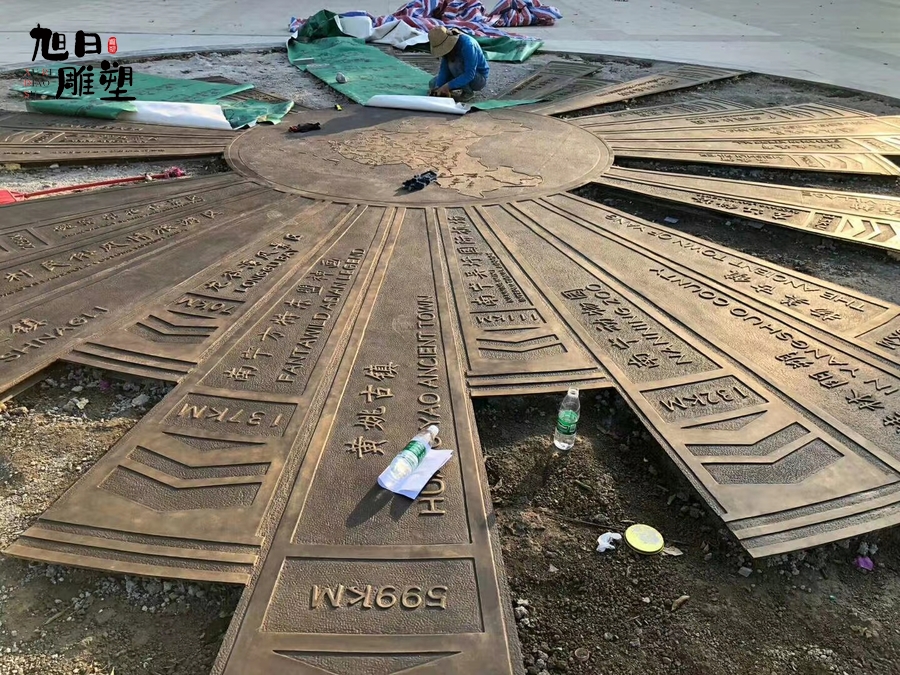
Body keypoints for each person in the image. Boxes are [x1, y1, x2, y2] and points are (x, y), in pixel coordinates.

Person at [428, 26, 489, 102]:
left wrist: (447, 86)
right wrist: (438, 87)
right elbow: (444, 70)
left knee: (454, 66)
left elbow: (469, 74)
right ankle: (453, 87)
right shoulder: (448, 50)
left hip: (478, 78)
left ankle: (468, 92)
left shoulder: (468, 45)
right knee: (433, 83)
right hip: (458, 72)